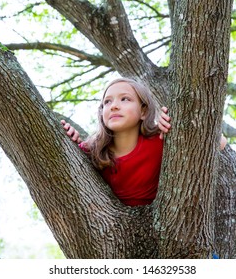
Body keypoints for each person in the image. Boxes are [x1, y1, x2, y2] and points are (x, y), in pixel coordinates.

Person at [61, 77, 226, 207]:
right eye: (107, 102)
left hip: (166, 228)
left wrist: (181, 125)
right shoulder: (92, 150)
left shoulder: (160, 139)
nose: (114, 106)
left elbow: (220, 142)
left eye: (125, 99)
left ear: (144, 111)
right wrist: (71, 142)